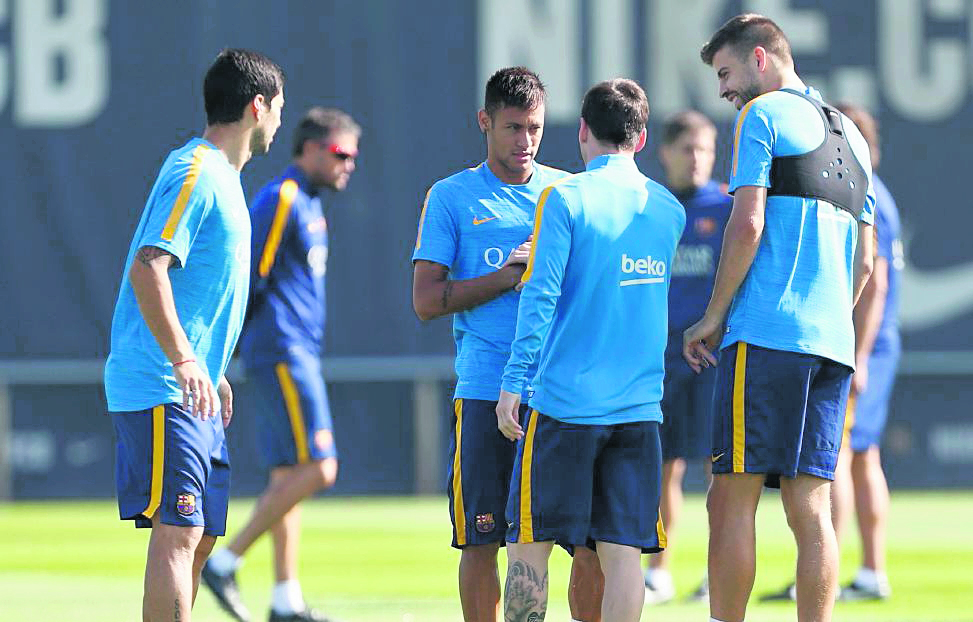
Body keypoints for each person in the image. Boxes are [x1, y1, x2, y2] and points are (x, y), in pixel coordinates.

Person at [684, 14, 875, 622]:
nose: (723, 89)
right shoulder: (854, 135)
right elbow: (866, 263)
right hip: (830, 345)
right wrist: (826, 320)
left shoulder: (761, 117)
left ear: (761, 59)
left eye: (726, 72)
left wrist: (713, 315)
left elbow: (749, 223)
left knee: (730, 500)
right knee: (812, 511)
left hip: (767, 335)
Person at [412, 67, 604, 622]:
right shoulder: (451, 197)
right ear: (485, 123)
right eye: (513, 128)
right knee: (481, 539)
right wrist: (510, 274)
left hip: (561, 392)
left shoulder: (567, 191)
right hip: (484, 388)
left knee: (584, 541)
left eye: (536, 129)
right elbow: (425, 301)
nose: (525, 142)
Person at [104, 48, 284, 622]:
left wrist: (212, 369)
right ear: (258, 106)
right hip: (162, 382)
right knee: (180, 531)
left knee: (201, 535)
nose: (278, 120)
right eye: (278, 108)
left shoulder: (226, 179)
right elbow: (148, 265)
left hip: (193, 386)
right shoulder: (196, 170)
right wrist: (184, 360)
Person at [498, 78, 685, 622]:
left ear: (582, 131)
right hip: (639, 412)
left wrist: (514, 381)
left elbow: (539, 296)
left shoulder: (564, 197)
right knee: (624, 552)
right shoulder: (668, 209)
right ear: (643, 138)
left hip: (563, 406)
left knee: (529, 546)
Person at [202, 108, 360, 622]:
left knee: (286, 475)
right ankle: (225, 560)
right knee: (320, 467)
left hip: (294, 350)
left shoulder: (312, 204)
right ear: (309, 149)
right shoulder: (283, 198)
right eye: (340, 153)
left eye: (353, 156)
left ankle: (284, 599)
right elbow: (250, 277)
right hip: (282, 350)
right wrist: (228, 351)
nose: (348, 164)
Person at [762, 103, 902, 604]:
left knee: (835, 458)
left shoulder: (865, 195)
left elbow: (875, 278)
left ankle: (838, 571)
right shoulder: (875, 194)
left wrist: (859, 355)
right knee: (860, 456)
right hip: (868, 342)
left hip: (861, 342)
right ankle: (865, 571)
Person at [643, 111, 732, 605]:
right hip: (659, 356)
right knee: (662, 463)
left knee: (720, 468)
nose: (697, 158)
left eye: (705, 149)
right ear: (666, 152)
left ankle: (717, 571)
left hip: (711, 356)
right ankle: (659, 569)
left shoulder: (727, 207)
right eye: (687, 149)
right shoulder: (650, 208)